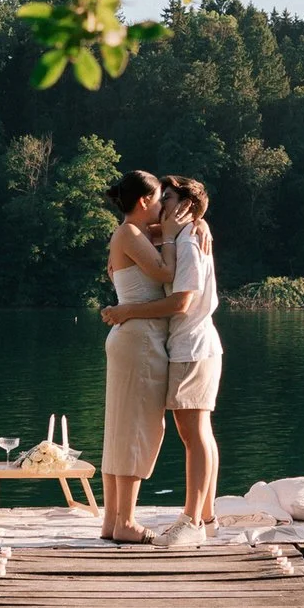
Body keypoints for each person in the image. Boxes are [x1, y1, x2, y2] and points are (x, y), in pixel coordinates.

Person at [97, 168, 179, 543]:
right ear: (145, 201)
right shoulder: (130, 233)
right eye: (160, 198)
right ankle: (126, 522)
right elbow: (166, 273)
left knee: (120, 428)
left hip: (131, 338)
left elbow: (162, 237)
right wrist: (177, 236)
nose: (164, 206)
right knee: (139, 428)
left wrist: (192, 227)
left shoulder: (135, 233)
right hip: (140, 340)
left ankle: (113, 522)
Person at [157, 175, 222, 546]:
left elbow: (182, 301)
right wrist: (201, 218)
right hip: (196, 346)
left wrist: (128, 311)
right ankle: (207, 518)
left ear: (185, 206)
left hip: (192, 348)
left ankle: (191, 521)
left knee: (194, 435)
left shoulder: (189, 241)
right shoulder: (185, 234)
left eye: (167, 198)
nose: (160, 203)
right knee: (199, 434)